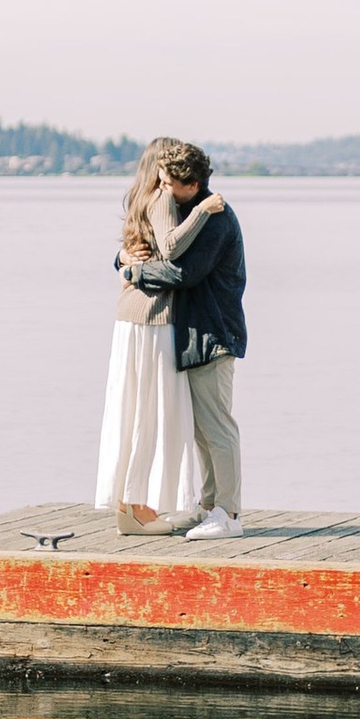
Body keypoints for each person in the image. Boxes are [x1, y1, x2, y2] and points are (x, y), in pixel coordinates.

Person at [122, 139, 247, 539]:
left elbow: (183, 274)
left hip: (214, 333)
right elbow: (153, 247)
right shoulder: (190, 210)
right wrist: (123, 259)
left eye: (168, 183)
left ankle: (228, 515)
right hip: (192, 335)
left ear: (190, 185)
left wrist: (134, 274)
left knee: (217, 428)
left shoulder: (216, 218)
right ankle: (208, 505)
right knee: (200, 430)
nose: (161, 188)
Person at [94, 140, 205, 536]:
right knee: (151, 411)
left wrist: (124, 263)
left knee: (131, 408)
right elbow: (173, 255)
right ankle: (136, 505)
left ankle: (129, 503)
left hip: (129, 316)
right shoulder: (163, 200)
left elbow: (135, 254)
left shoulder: (138, 200)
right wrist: (205, 212)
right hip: (154, 318)